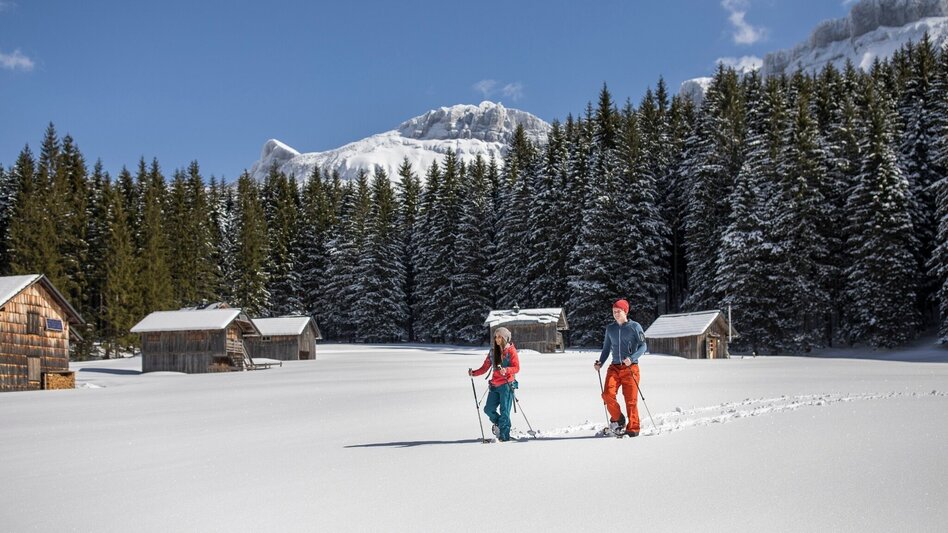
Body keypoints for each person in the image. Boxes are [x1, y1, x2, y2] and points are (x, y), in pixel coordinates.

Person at [594, 299, 647, 437]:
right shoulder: (610, 328)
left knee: (631, 400)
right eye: (614, 312)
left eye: (619, 311)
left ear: (625, 311)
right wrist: (600, 362)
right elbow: (606, 349)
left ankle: (633, 428)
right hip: (614, 367)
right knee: (607, 394)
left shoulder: (635, 327)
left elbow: (643, 346)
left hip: (631, 368)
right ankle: (618, 418)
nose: (616, 314)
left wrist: (632, 358)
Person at [469, 326, 520, 442]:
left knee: (504, 412)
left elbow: (516, 368)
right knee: (488, 409)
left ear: (505, 338)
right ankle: (499, 425)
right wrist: (474, 373)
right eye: (496, 337)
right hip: (494, 385)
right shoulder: (493, 351)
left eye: (499, 337)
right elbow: (485, 367)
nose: (497, 339)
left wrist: (506, 370)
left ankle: (504, 437)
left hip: (507, 385)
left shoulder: (511, 350)